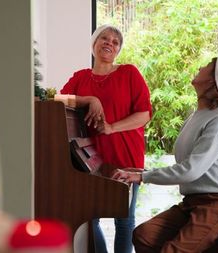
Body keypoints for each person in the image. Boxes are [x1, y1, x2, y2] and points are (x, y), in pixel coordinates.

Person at [112, 56, 218, 253]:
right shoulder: (197, 115)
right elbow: (188, 165)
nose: (200, 67)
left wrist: (143, 176)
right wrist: (140, 172)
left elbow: (191, 170)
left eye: (207, 66)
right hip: (192, 203)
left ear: (213, 81)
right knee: (144, 235)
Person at [59, 24, 152, 253]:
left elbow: (144, 115)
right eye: (104, 38)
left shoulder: (129, 73)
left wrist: (111, 127)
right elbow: (59, 98)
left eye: (115, 41)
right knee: (91, 219)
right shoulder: (81, 77)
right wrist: (89, 99)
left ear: (118, 50)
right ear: (94, 43)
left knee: (124, 221)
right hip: (90, 161)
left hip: (125, 157)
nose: (109, 43)